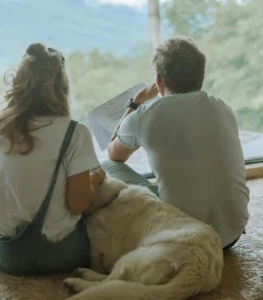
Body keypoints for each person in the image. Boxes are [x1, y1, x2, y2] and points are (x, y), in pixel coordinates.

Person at [103, 37, 249, 250]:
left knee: (106, 167)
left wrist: (136, 103)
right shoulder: (222, 107)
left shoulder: (144, 115)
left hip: (186, 238)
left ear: (159, 80)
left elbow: (114, 154)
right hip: (232, 234)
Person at [0, 43, 104, 275]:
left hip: (3, 254)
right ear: (62, 88)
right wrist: (95, 179)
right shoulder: (74, 132)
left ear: (18, 85)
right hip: (58, 255)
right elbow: (78, 204)